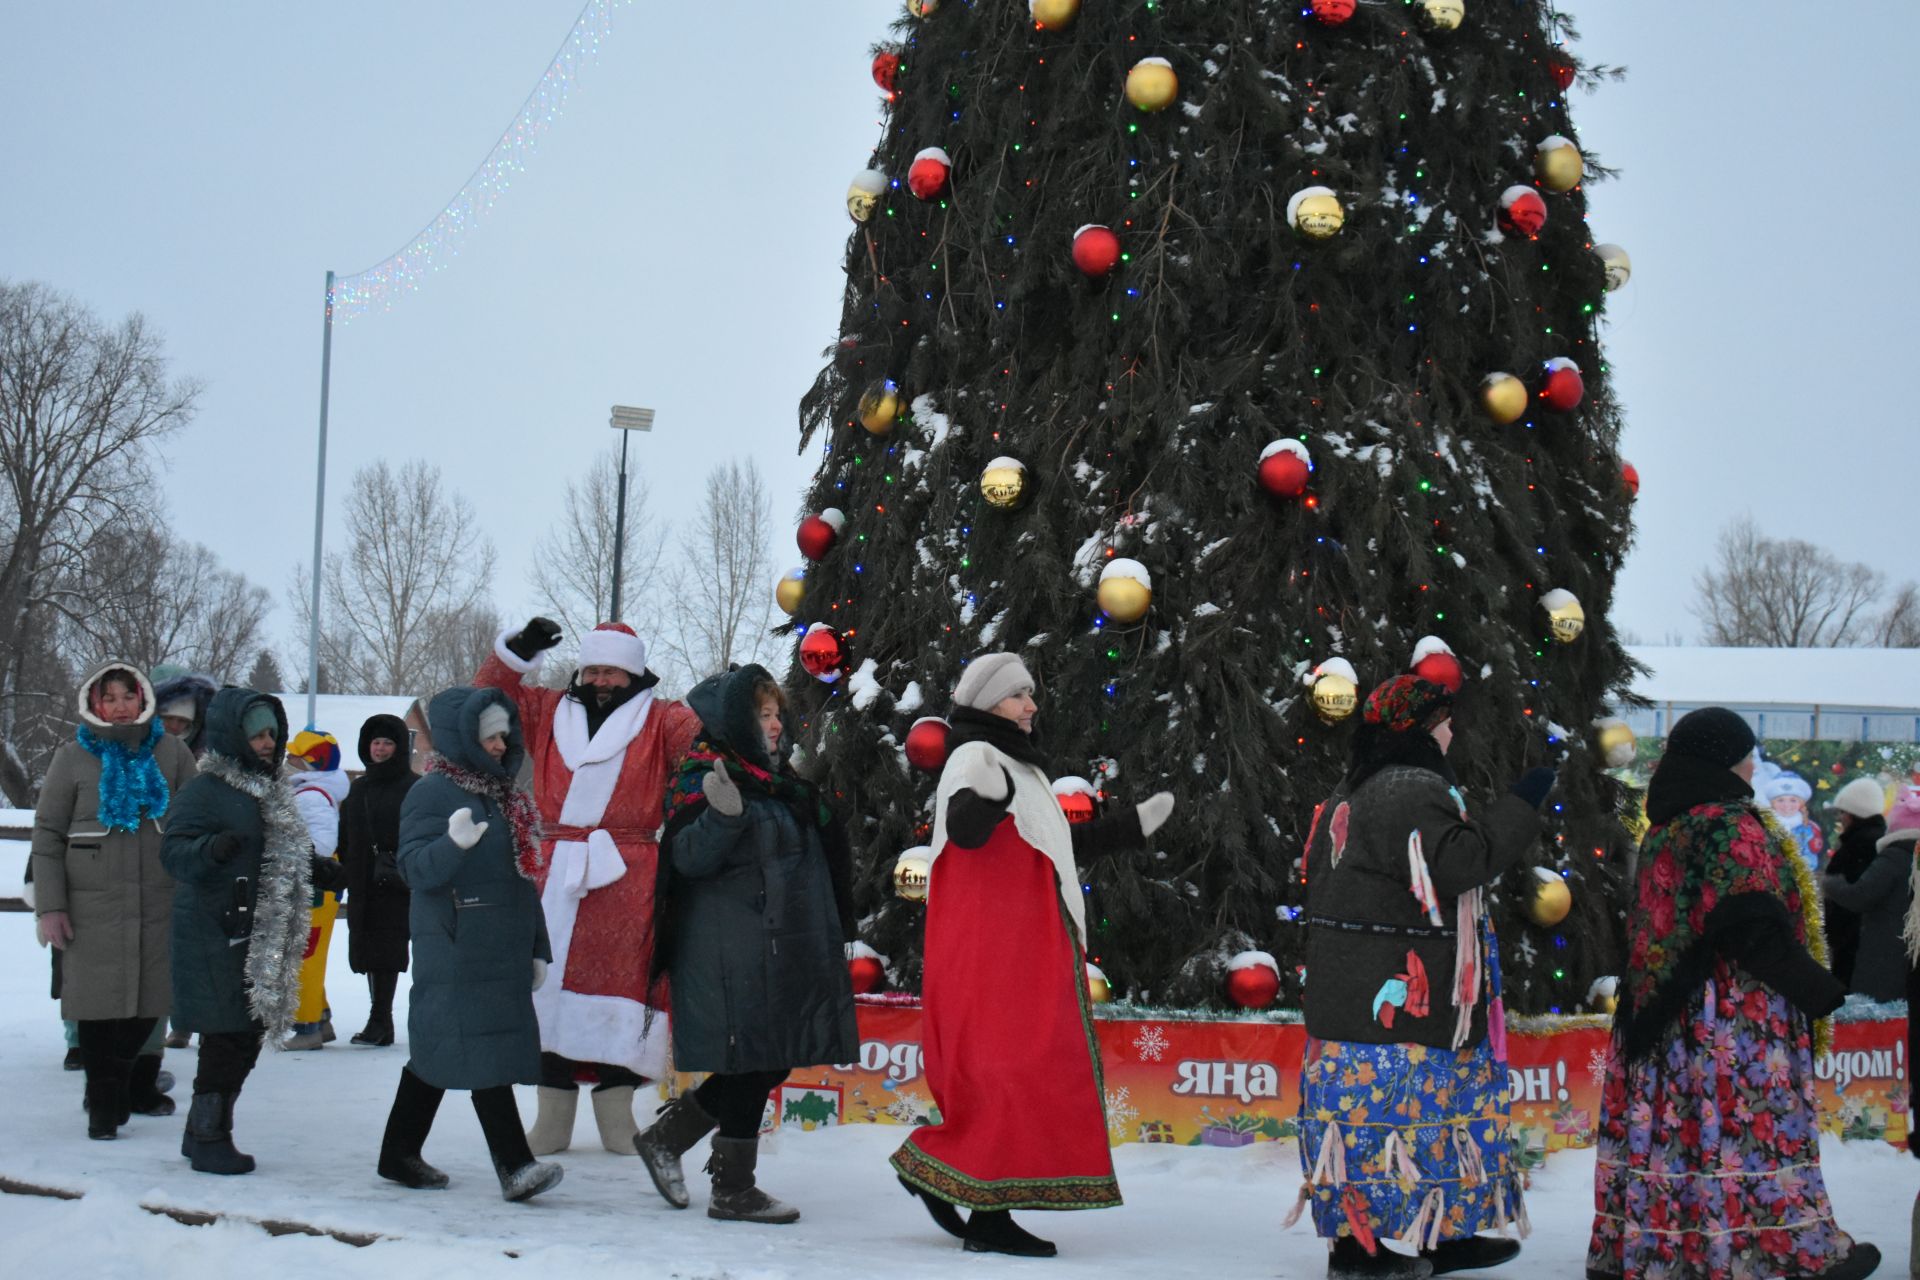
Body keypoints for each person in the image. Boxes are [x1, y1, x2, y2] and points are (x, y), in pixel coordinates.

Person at [891, 653, 1174, 1258]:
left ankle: (956, 1183)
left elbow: (1052, 846)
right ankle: (979, 1207)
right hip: (996, 945)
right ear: (990, 703)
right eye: (1019, 696)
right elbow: (965, 828)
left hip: (1024, 938)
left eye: (1029, 695)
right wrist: (988, 798)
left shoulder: (1021, 765)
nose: (1031, 705)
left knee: (1022, 1066)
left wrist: (1129, 829)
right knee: (1008, 1067)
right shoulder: (974, 756)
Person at [1587, 707, 1879, 1280]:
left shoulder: (1669, 823)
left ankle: (1660, 1250)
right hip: (1729, 1019)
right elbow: (1749, 922)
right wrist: (1821, 990)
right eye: (1747, 753)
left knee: (1682, 1131)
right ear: (1725, 758)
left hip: (1665, 1017)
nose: (1753, 765)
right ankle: (1777, 1253)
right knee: (1746, 1128)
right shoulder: (1728, 823)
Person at [1293, 675, 1551, 1280]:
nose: (1452, 729)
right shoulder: (1413, 788)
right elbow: (1461, 864)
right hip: (1397, 998)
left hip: (1367, 993)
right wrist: (1524, 802)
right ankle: (1362, 1253)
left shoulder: (1361, 788)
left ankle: (1442, 1234)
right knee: (1388, 1119)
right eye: (1443, 718)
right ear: (1418, 729)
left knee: (1418, 1117)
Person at [635, 664, 859, 1224]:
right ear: (737, 719)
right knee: (755, 1060)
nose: (777, 724)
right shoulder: (705, 775)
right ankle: (733, 1187)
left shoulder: (774, 778)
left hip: (781, 942)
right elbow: (686, 860)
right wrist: (723, 818)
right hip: (729, 949)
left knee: (768, 1061)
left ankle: (669, 1138)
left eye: (778, 713)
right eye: (764, 715)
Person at [476, 617, 698, 1156]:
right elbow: (482, 703)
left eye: (613, 672)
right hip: (554, 868)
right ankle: (552, 1115)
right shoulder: (548, 711)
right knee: (544, 987)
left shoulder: (663, 718)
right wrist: (517, 654)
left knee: (624, 989)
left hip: (629, 874)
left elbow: (705, 743)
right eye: (593, 669)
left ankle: (616, 1113)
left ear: (635, 673)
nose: (601, 680)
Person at [374, 686, 562, 1203]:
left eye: (504, 734)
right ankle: (515, 1167)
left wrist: (535, 946)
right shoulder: (432, 794)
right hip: (455, 947)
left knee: (439, 1056)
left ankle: (398, 1153)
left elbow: (523, 879)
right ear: (464, 737)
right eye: (490, 736)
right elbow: (413, 868)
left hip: (498, 947)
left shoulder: (505, 796)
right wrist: (452, 844)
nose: (501, 745)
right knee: (483, 1055)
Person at [161, 687, 346, 1174]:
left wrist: (318, 870)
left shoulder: (272, 790)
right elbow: (173, 851)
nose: (266, 743)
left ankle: (200, 1130)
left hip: (259, 934)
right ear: (231, 736)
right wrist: (211, 849)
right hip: (215, 933)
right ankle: (208, 1135)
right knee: (226, 1038)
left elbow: (284, 851)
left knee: (246, 1035)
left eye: (271, 733)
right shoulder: (206, 790)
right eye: (256, 734)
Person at [31, 662, 196, 1138]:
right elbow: (47, 837)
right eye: (111, 698)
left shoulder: (172, 753)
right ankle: (104, 1106)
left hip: (159, 905)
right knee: (97, 1009)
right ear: (95, 704)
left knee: (151, 1003)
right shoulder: (72, 759)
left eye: (130, 696)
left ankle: (118, 1087)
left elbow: (192, 827)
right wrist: (51, 907)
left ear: (144, 699)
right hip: (91, 911)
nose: (121, 707)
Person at [339, 713, 417, 1047]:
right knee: (367, 950)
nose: (381, 749)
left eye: (388, 742)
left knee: (387, 951)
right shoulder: (360, 787)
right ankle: (378, 1018)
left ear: (399, 747)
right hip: (363, 882)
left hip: (395, 884)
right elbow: (347, 834)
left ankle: (380, 1019)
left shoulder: (413, 786)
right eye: (376, 742)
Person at [153, 670, 217, 1050]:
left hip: (193, 864)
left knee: (192, 950)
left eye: (184, 722)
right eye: (168, 720)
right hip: (150, 862)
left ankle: (188, 1020)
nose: (176, 728)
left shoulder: (206, 761)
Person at [284, 729, 349, 1049]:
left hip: (314, 887)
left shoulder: (312, 796)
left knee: (304, 957)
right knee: (308, 954)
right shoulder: (310, 792)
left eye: (294, 757)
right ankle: (320, 1020)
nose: (287, 761)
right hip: (314, 886)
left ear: (312, 763)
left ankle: (307, 1027)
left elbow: (322, 844)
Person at [1823, 788, 1919, 1005]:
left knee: (1877, 1016)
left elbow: (1860, 896)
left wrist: (1831, 884)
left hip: (1886, 950)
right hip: (1909, 950)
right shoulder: (1912, 857)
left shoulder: (1893, 857)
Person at [1822, 778, 1890, 990]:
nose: (1841, 819)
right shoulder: (1876, 840)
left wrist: (1830, 885)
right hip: (1861, 939)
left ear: (1854, 815)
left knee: (1848, 993)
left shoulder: (1860, 843)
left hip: (1853, 939)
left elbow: (1856, 894)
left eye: (1843, 813)